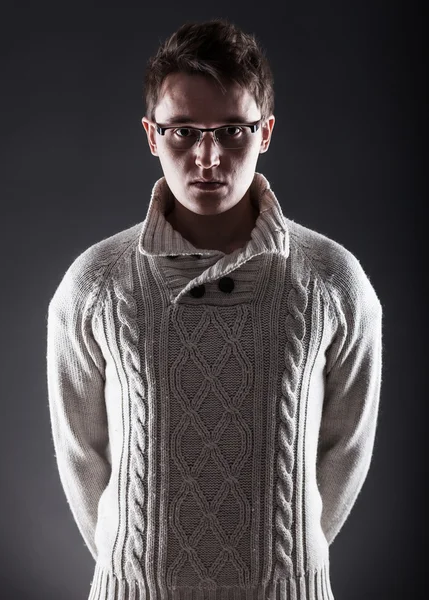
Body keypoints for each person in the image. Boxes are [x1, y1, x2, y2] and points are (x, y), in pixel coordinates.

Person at [46, 18, 383, 600]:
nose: (208, 156)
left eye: (232, 130)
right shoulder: (94, 285)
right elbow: (82, 454)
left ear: (266, 132)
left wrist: (288, 562)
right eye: (182, 131)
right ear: (152, 135)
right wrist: (135, 567)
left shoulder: (333, 280)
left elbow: (347, 446)